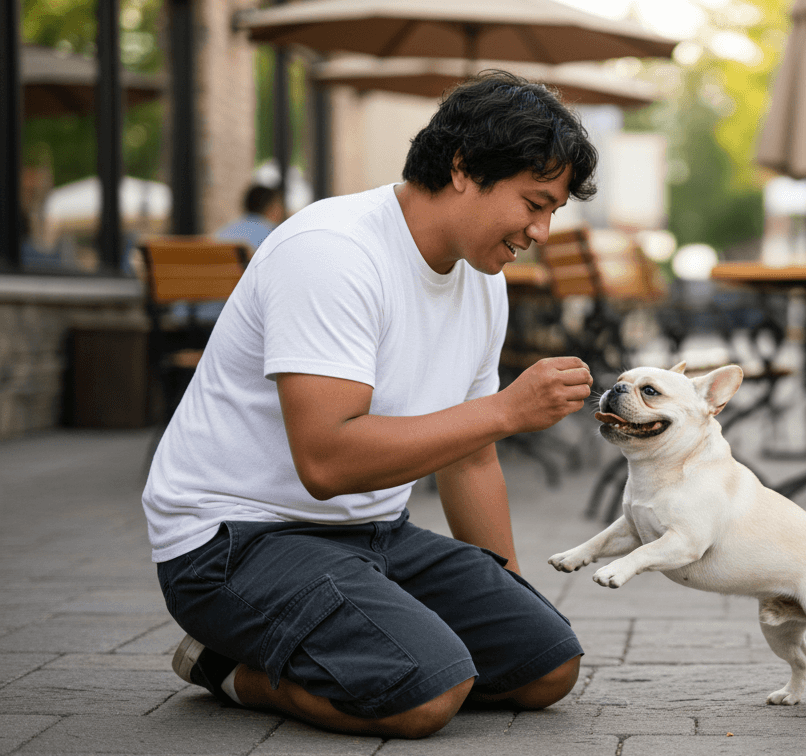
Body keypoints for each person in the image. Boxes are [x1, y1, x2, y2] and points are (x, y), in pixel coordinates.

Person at [144, 71, 599, 739]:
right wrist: (507, 411)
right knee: (425, 693)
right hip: (235, 542)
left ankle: (366, 653)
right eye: (535, 203)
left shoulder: (482, 281)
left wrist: (503, 597)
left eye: (553, 211)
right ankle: (226, 668)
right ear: (463, 167)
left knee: (544, 666)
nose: (542, 230)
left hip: (374, 534)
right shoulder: (333, 251)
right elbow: (326, 463)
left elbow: (470, 460)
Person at [215, 183, 285, 253]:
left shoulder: (225, 231)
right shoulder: (272, 235)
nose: (283, 211)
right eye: (280, 205)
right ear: (272, 207)